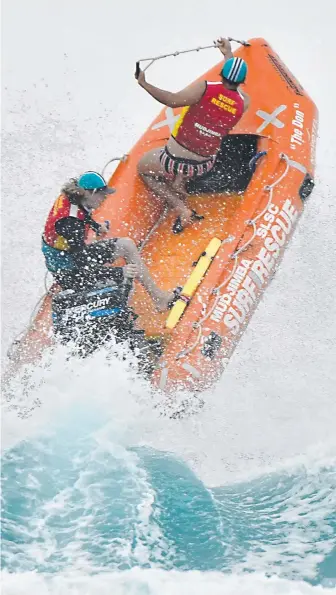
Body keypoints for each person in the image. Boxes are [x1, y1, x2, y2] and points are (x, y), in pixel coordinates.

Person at [136, 38, 250, 233]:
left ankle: (181, 208)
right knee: (205, 142)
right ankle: (180, 182)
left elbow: (172, 100)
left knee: (143, 169)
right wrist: (228, 55)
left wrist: (144, 84)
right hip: (204, 164)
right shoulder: (244, 102)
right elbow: (233, 92)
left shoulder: (206, 88)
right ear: (242, 81)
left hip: (173, 159)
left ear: (222, 74)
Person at [42, 171, 174, 311]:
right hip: (69, 271)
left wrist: (96, 227)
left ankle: (159, 298)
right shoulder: (71, 224)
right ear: (89, 193)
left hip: (71, 254)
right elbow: (83, 265)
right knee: (120, 280)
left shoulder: (74, 197)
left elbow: (82, 213)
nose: (104, 198)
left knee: (126, 245)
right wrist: (119, 272)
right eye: (102, 195)